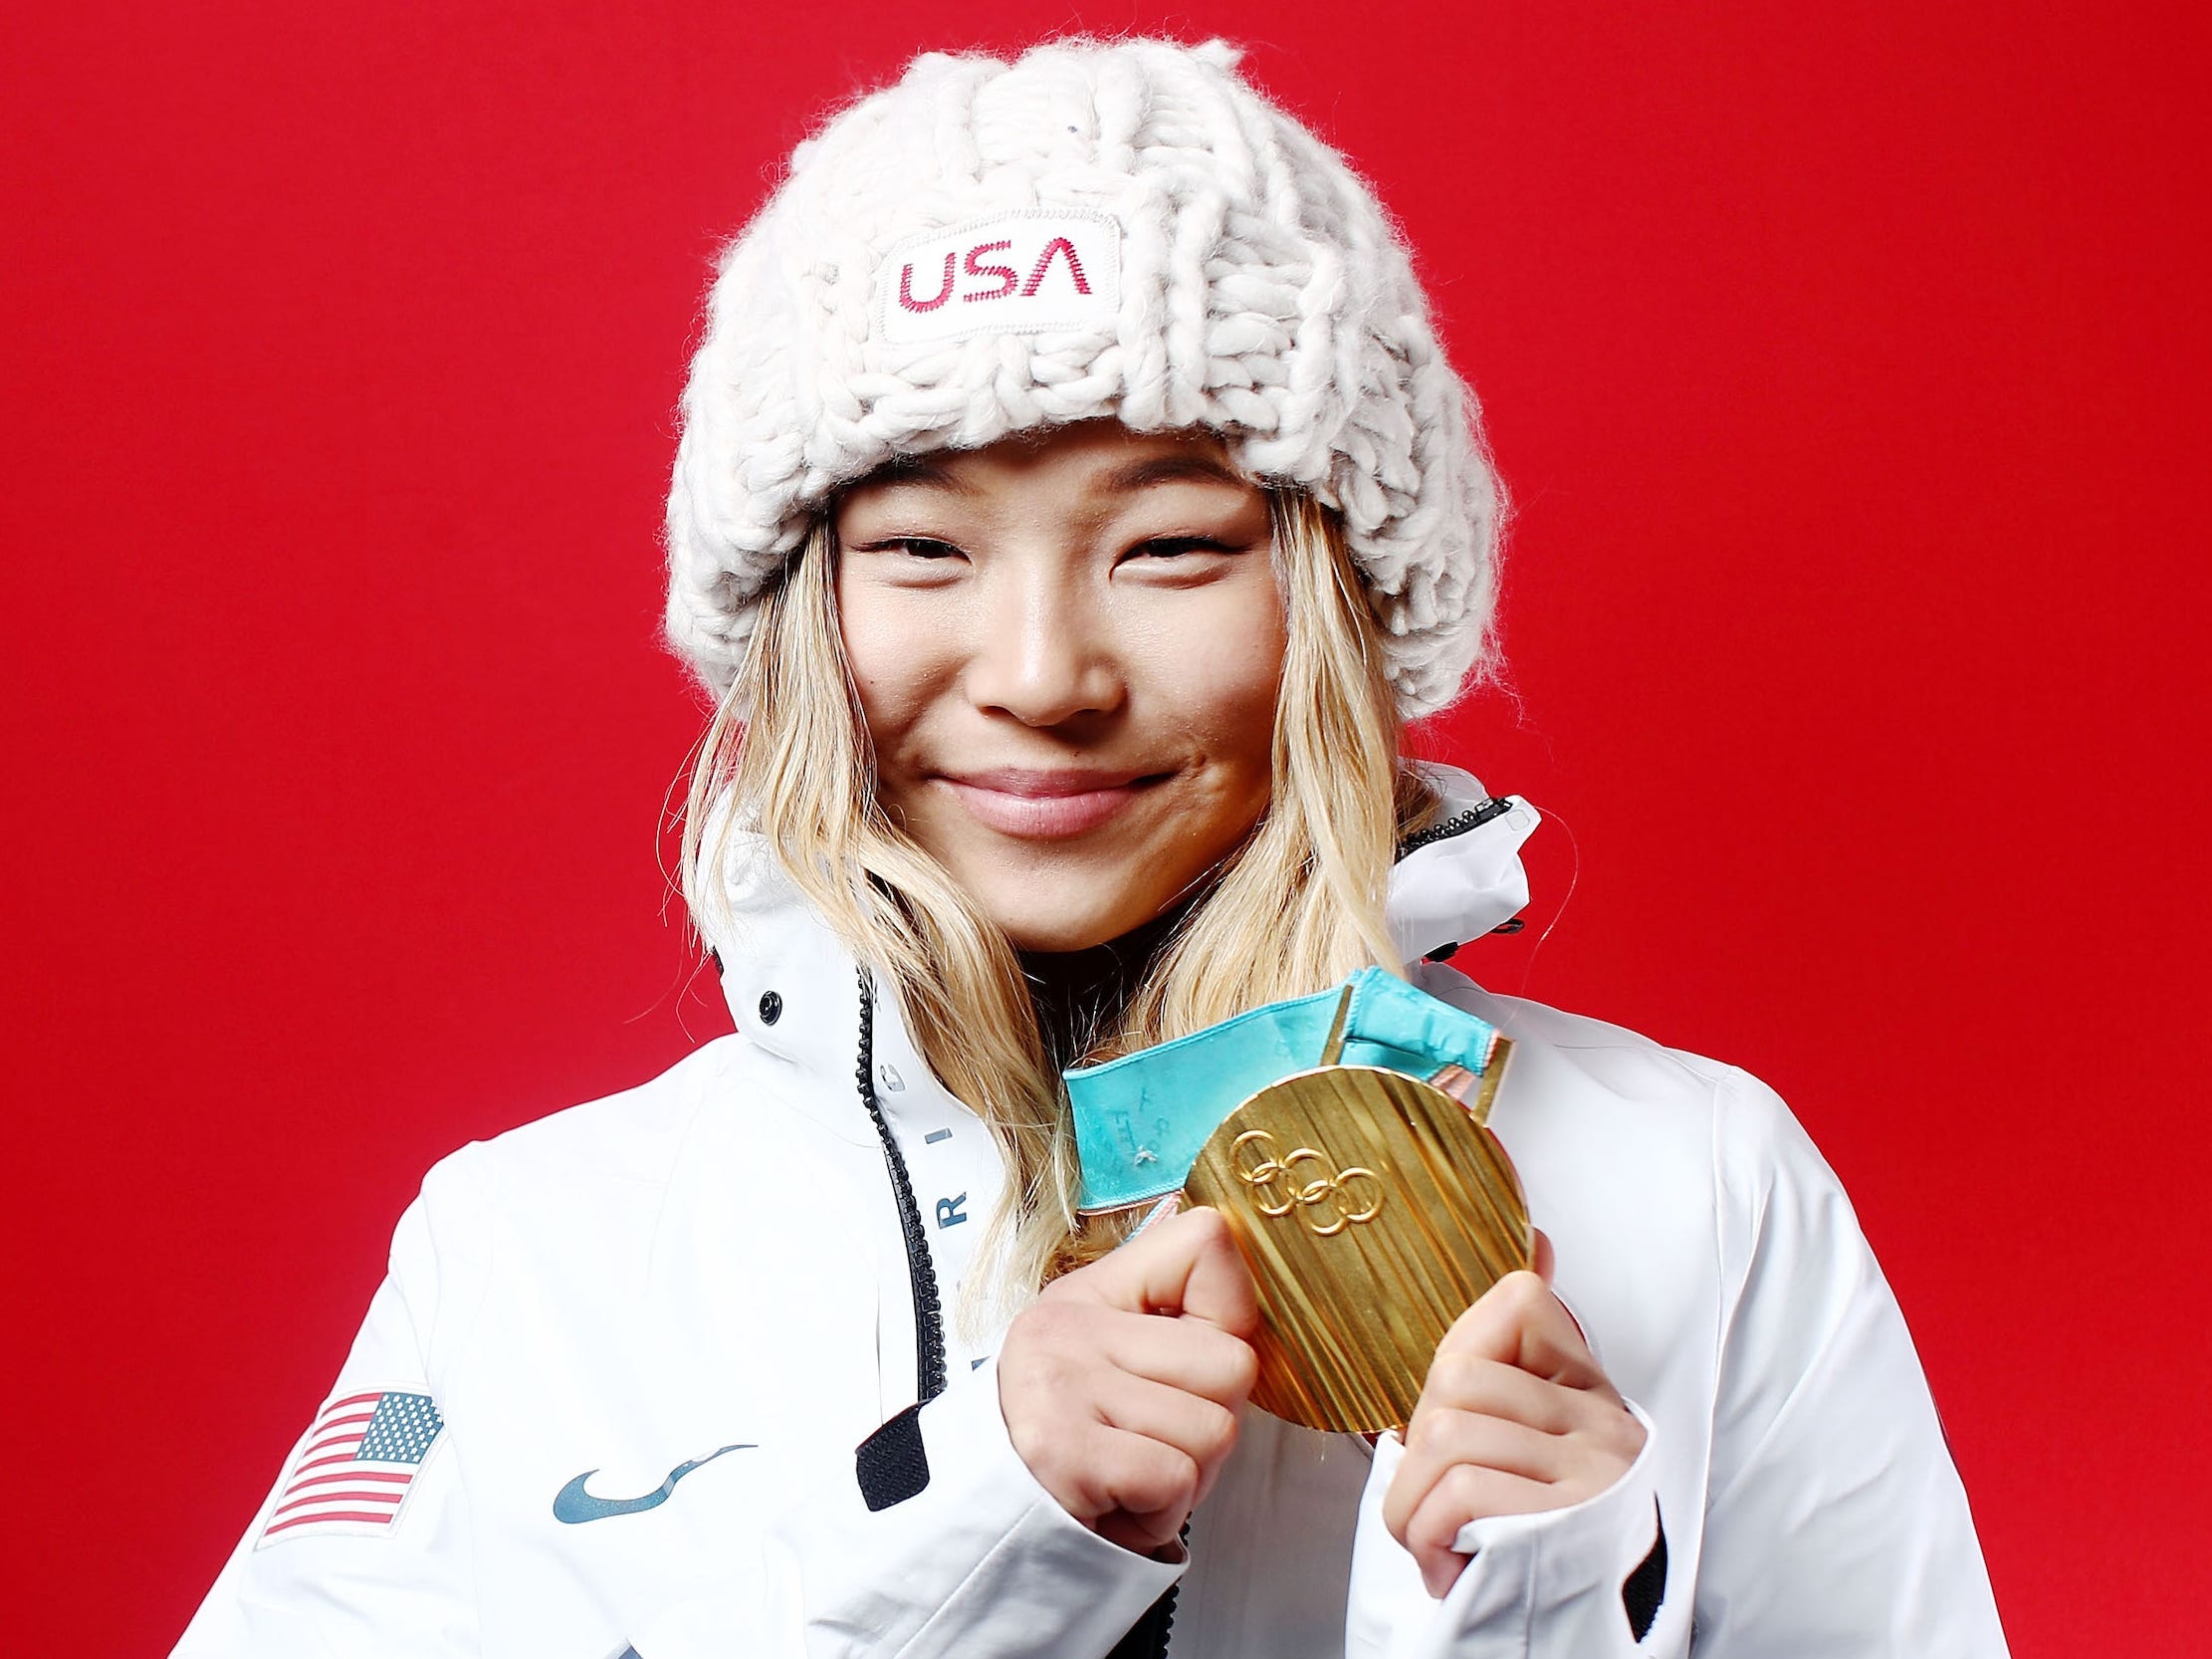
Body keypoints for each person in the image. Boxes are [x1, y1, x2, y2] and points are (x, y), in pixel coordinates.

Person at [173, 36, 2008, 1659]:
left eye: (1174, 548)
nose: (1042, 676)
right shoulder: (536, 1246)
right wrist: (979, 1539)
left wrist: (1543, 1609)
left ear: (1345, 611)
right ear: (791, 618)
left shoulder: (1698, 1183)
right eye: (919, 549)